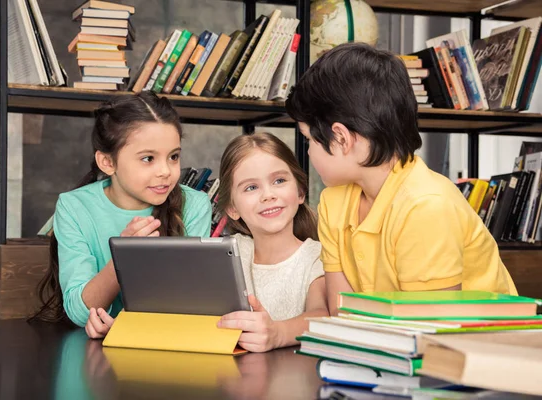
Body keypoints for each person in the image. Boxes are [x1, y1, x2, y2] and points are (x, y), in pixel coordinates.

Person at [285, 42, 517, 315]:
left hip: (475, 349)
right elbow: (341, 312)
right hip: (390, 344)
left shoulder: (426, 206)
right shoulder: (333, 202)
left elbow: (429, 326)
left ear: (341, 138)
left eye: (309, 139)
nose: (309, 151)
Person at [34, 92, 212, 337]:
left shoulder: (195, 204)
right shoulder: (74, 206)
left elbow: (195, 303)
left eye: (173, 157)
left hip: (169, 347)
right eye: (148, 158)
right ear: (107, 162)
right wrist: (124, 256)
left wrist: (127, 328)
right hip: (95, 358)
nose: (165, 171)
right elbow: (79, 312)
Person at [215, 132, 329, 352]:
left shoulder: (317, 256)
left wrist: (278, 334)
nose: (268, 195)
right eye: (251, 187)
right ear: (232, 208)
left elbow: (321, 314)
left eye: (279, 181)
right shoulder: (230, 252)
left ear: (300, 192)